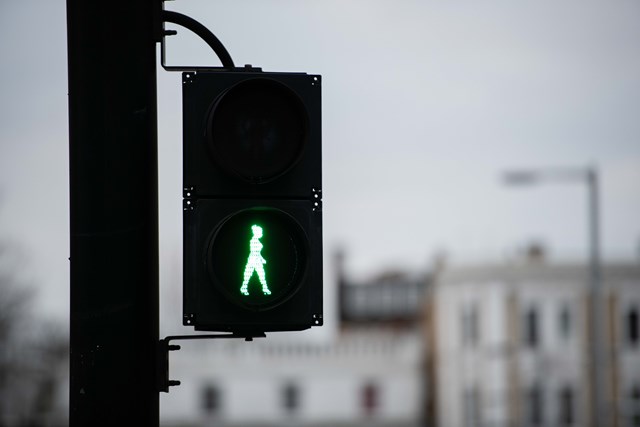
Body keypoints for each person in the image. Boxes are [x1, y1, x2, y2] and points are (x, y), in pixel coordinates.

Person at [240, 224, 271, 296]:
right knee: (250, 274)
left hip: (255, 260)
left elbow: (257, 253)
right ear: (256, 233)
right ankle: (244, 288)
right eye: (261, 232)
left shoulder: (256, 241)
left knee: (260, 275)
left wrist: (261, 259)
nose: (262, 234)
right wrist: (261, 259)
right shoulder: (253, 241)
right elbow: (254, 252)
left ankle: (264, 288)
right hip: (253, 260)